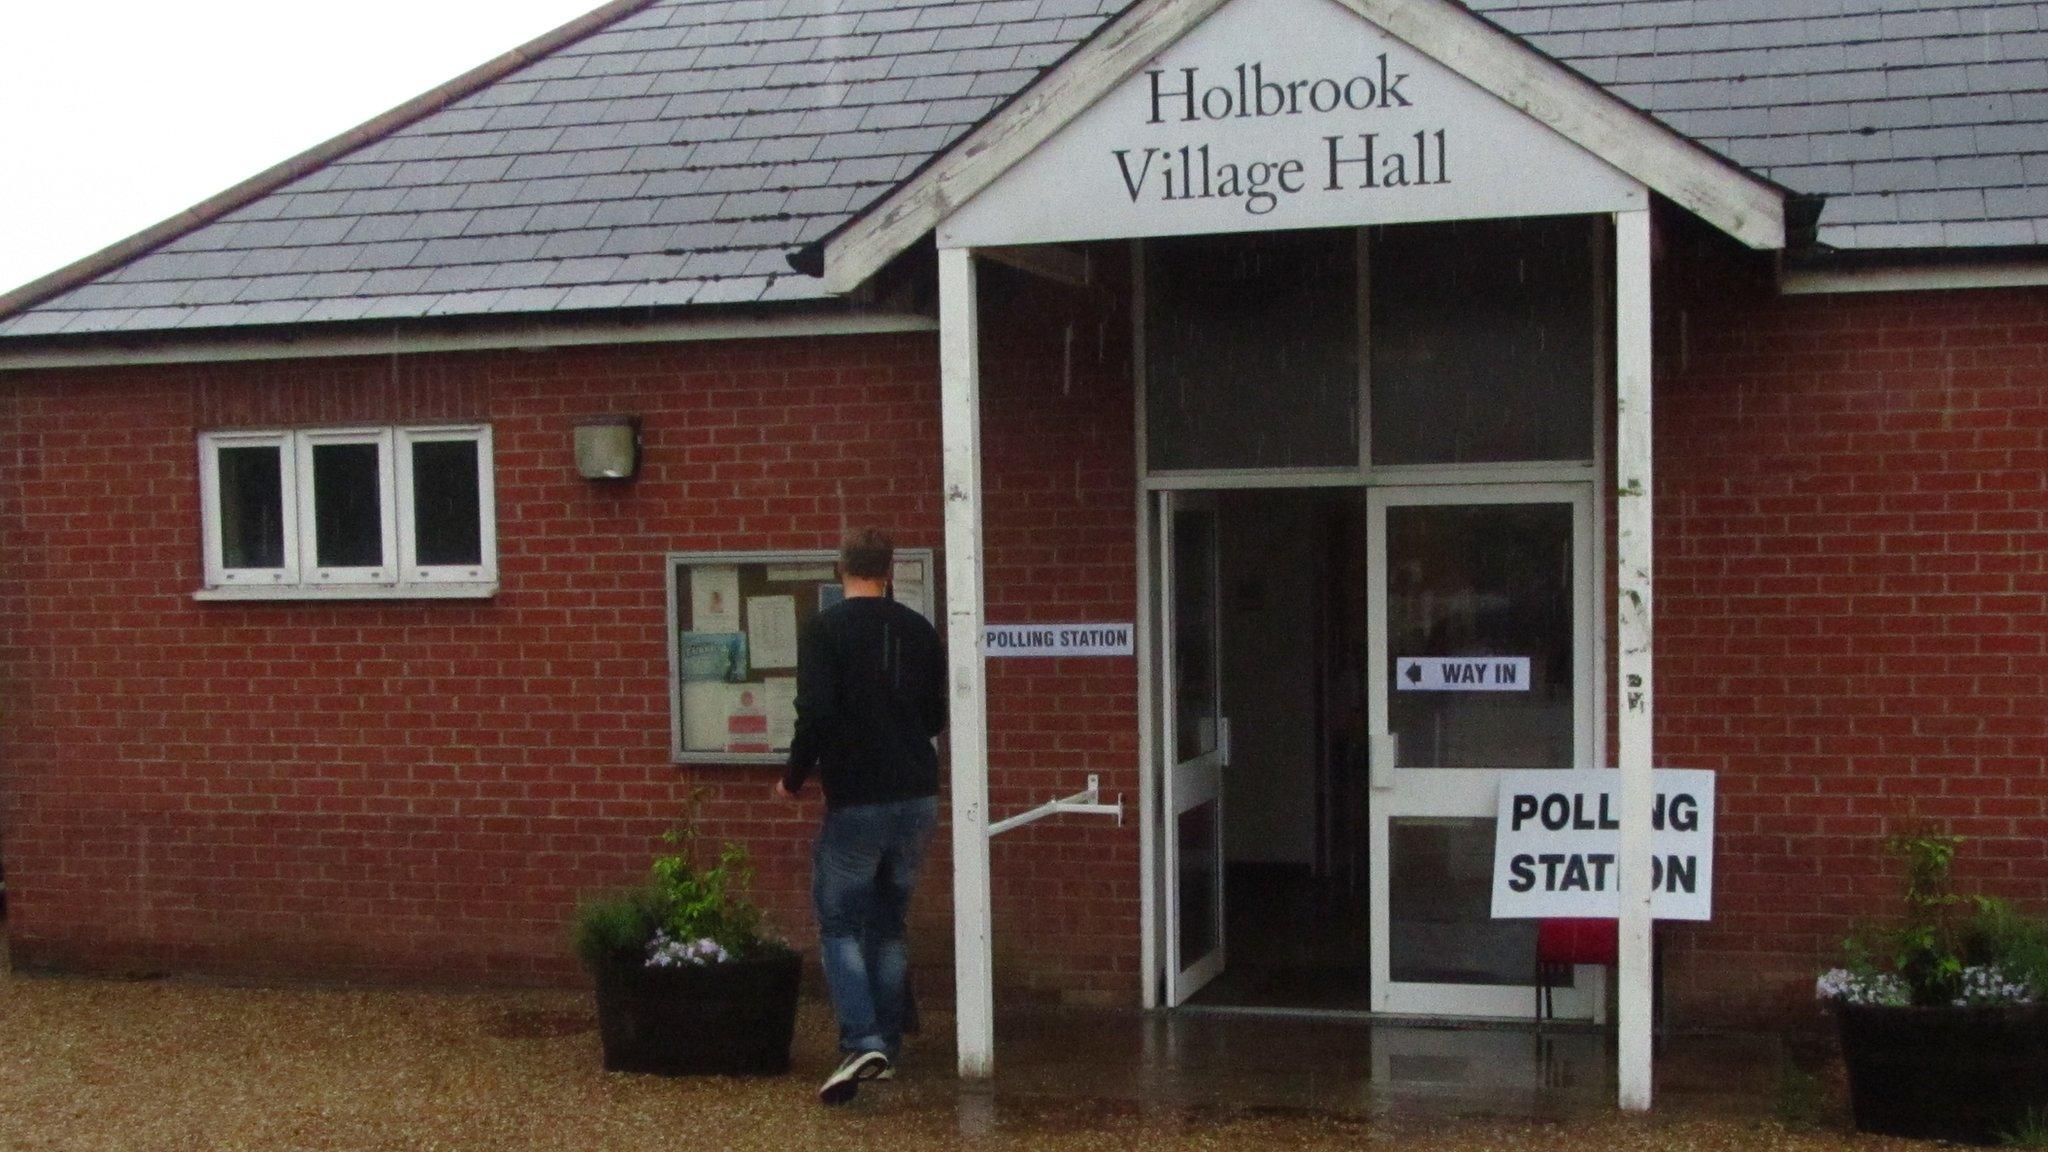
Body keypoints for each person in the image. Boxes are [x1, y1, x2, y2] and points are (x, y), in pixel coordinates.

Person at [774, 527, 947, 1105]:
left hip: (858, 799)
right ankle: (888, 1047)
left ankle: (861, 1039)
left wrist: (794, 777)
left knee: (840, 922)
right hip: (918, 794)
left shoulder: (825, 630)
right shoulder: (920, 630)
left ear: (840, 569)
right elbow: (935, 714)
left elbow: (814, 713)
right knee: (889, 923)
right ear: (890, 569)